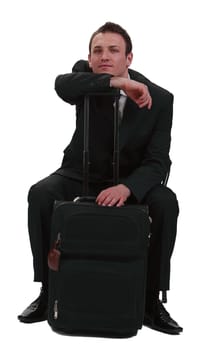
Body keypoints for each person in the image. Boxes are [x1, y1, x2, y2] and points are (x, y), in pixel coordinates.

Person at [18, 22, 183, 335]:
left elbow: (158, 161)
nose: (104, 55)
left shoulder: (161, 99)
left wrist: (129, 187)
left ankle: (151, 300)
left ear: (129, 57)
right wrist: (118, 83)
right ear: (90, 58)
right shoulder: (86, 80)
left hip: (130, 177)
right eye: (98, 50)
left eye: (113, 50)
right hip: (80, 173)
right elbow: (62, 84)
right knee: (40, 193)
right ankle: (47, 291)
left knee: (166, 202)